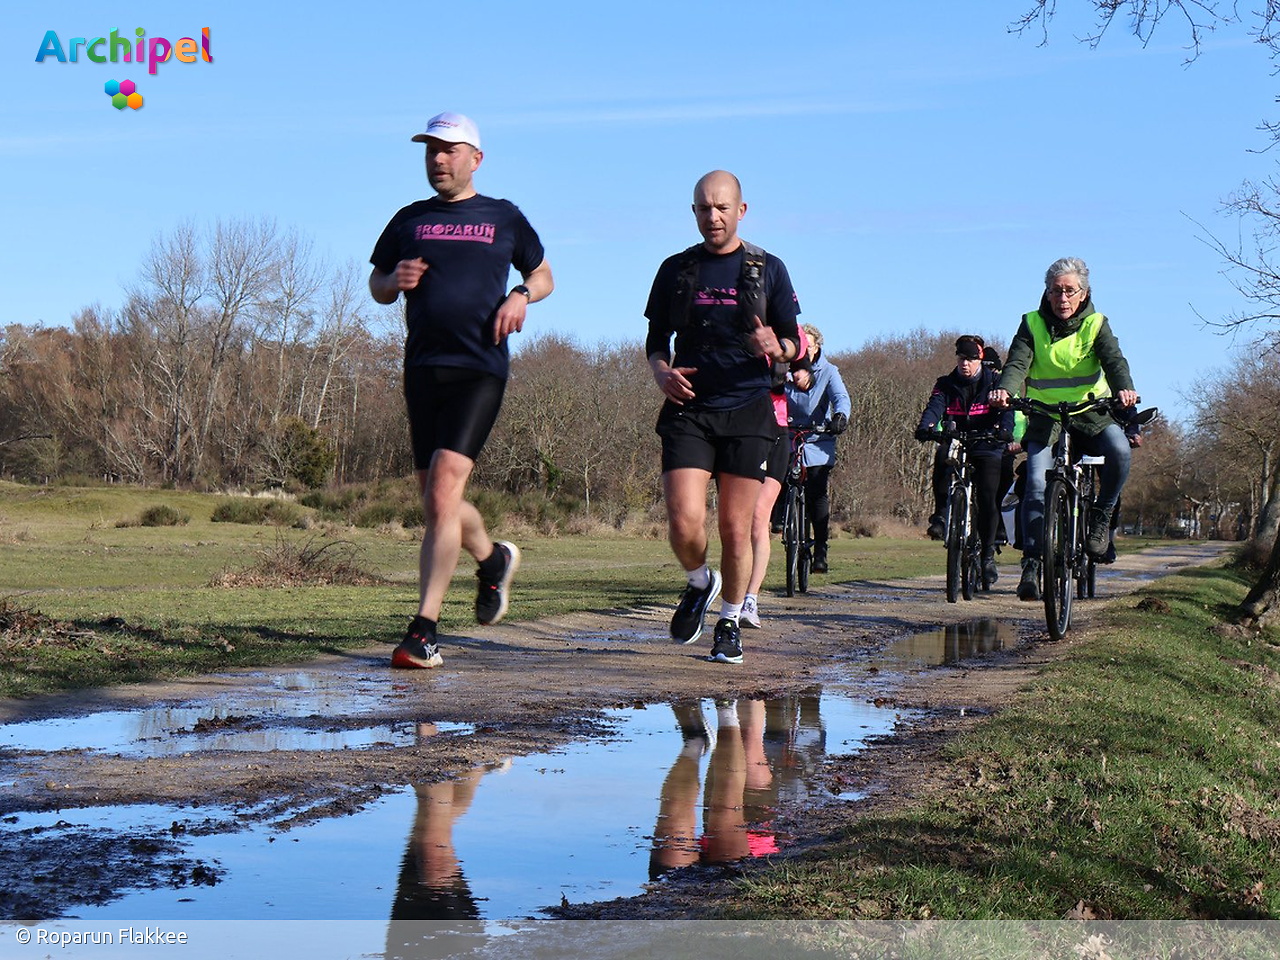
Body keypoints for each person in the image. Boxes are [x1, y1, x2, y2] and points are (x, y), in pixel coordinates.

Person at [369, 111, 554, 669]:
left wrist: (521, 293)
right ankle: (492, 558)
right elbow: (377, 285)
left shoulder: (504, 217)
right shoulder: (410, 219)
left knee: (445, 493)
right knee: (435, 501)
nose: (438, 160)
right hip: (423, 369)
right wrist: (392, 281)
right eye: (430, 151)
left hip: (479, 370)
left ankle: (423, 631)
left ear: (475, 158)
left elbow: (545, 276)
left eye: (448, 150)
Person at [645, 170, 803, 665]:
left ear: (741, 210)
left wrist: (778, 346)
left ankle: (730, 619)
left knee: (737, 529)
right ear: (693, 212)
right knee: (683, 519)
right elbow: (656, 342)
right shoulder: (676, 269)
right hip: (689, 408)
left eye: (721, 207)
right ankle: (699, 581)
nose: (712, 216)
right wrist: (661, 372)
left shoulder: (767, 268)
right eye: (702, 208)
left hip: (748, 410)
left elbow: (794, 344)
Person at [990, 257, 1137, 602]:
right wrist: (1005, 389)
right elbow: (1016, 363)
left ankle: (1100, 517)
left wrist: (1124, 389)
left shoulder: (1097, 324)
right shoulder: (1031, 324)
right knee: (1037, 484)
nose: (1062, 298)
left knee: (1120, 451)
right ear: (1047, 292)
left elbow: (1115, 362)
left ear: (1084, 294)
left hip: (1091, 412)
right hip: (1045, 415)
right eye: (1056, 291)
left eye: (1070, 291)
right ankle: (1032, 562)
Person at [914, 335, 1014, 586]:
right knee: (942, 455)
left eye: (970, 359)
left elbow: (1007, 411)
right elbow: (935, 406)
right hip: (958, 438)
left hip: (987, 442)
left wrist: (1004, 429)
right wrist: (926, 426)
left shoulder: (995, 382)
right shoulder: (945, 384)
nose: (965, 364)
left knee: (988, 497)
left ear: (980, 359)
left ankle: (988, 555)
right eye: (961, 359)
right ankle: (940, 515)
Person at [742, 326, 808, 629]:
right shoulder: (736, 321)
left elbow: (802, 362)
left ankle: (750, 600)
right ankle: (726, 592)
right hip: (741, 428)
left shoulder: (789, 328)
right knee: (737, 519)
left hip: (777, 431)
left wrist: (803, 375)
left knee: (758, 516)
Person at [784, 324, 851, 574]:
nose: (804, 351)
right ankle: (781, 518)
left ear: (817, 347)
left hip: (818, 437)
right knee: (777, 475)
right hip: (788, 435)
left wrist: (840, 417)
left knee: (816, 490)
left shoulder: (828, 371)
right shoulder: (784, 368)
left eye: (808, 346)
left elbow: (840, 398)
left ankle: (821, 547)